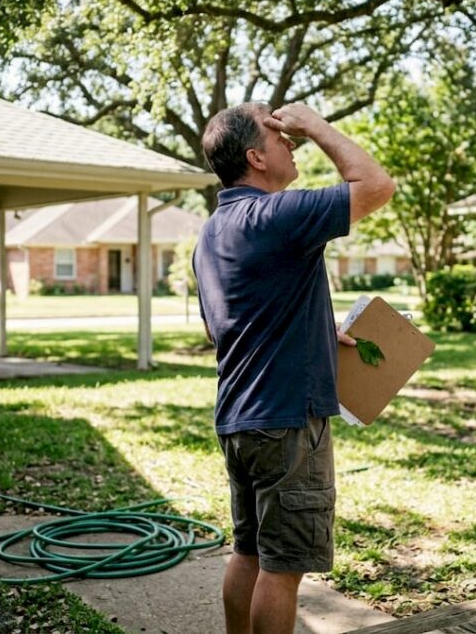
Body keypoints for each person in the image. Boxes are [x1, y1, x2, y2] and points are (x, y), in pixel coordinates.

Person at [192, 102, 395, 634]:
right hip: (286, 424)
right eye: (278, 134)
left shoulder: (212, 232)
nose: (292, 140)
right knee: (283, 571)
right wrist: (315, 124)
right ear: (256, 157)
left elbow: (221, 326)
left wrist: (312, 327)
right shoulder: (277, 215)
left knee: (249, 553)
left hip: (238, 420)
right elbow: (375, 185)